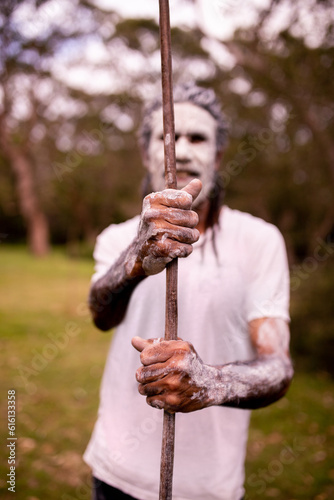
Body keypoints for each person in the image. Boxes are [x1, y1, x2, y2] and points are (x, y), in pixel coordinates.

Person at [84, 83, 294, 500]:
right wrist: (135, 259)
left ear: (217, 156)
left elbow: (278, 369)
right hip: (115, 472)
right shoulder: (117, 238)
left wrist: (211, 382)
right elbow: (100, 313)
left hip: (207, 488)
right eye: (167, 136)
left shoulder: (259, 240)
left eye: (197, 138)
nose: (180, 150)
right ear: (146, 153)